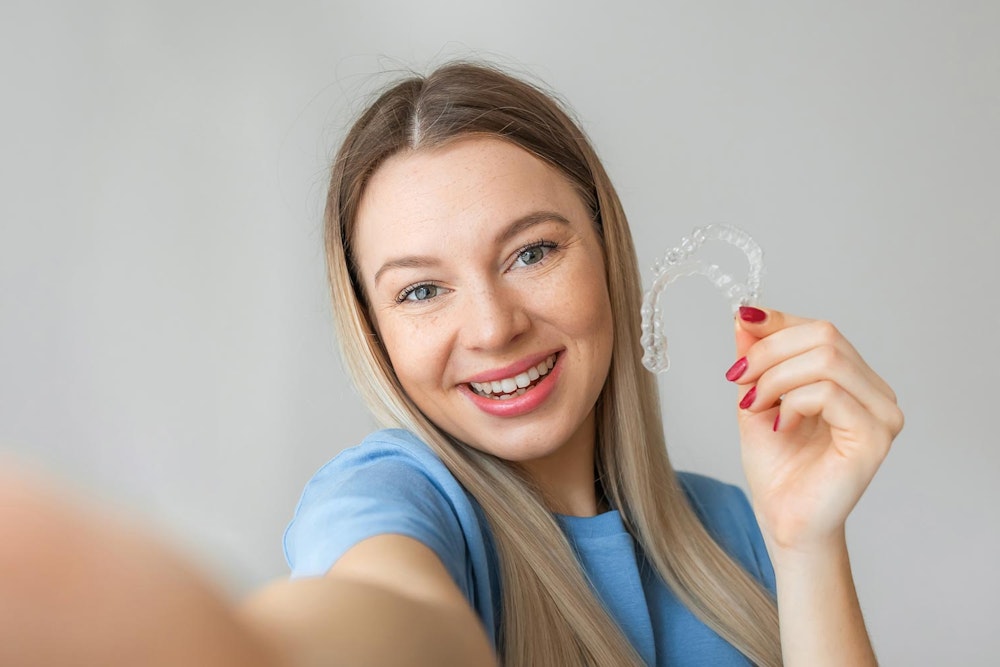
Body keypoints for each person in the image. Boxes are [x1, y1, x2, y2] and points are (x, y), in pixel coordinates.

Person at [0, 61, 903, 666]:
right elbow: (387, 610)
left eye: (531, 253)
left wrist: (807, 539)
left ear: (607, 251)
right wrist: (240, 645)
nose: (494, 327)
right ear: (375, 329)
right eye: (422, 291)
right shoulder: (388, 498)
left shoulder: (735, 527)